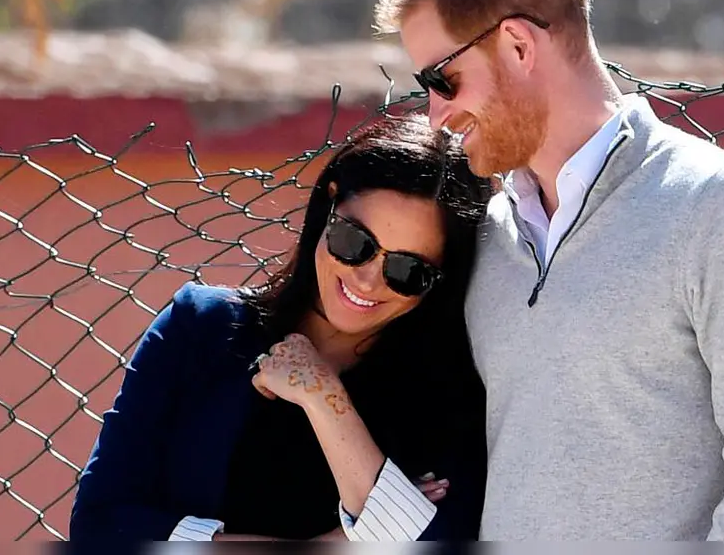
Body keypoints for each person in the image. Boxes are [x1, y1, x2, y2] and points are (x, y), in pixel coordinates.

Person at [371, 0, 724, 541]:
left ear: (519, 45)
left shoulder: (720, 205)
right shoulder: (489, 236)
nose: (436, 115)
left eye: (442, 81)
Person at [68, 114, 492, 542]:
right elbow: (100, 525)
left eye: (408, 270)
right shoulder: (201, 327)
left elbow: (440, 537)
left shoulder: (448, 396)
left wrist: (325, 399)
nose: (368, 280)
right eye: (355, 242)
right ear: (327, 206)